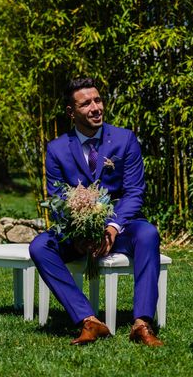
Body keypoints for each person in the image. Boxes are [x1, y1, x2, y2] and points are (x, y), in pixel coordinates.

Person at [29, 77, 163, 347]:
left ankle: (142, 324)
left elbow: (135, 191)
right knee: (40, 246)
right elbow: (57, 199)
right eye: (86, 103)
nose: (95, 107)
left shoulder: (125, 139)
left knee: (148, 233)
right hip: (76, 230)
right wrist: (78, 234)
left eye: (98, 100)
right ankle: (88, 320)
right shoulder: (56, 149)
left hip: (121, 227)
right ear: (71, 112)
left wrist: (112, 228)